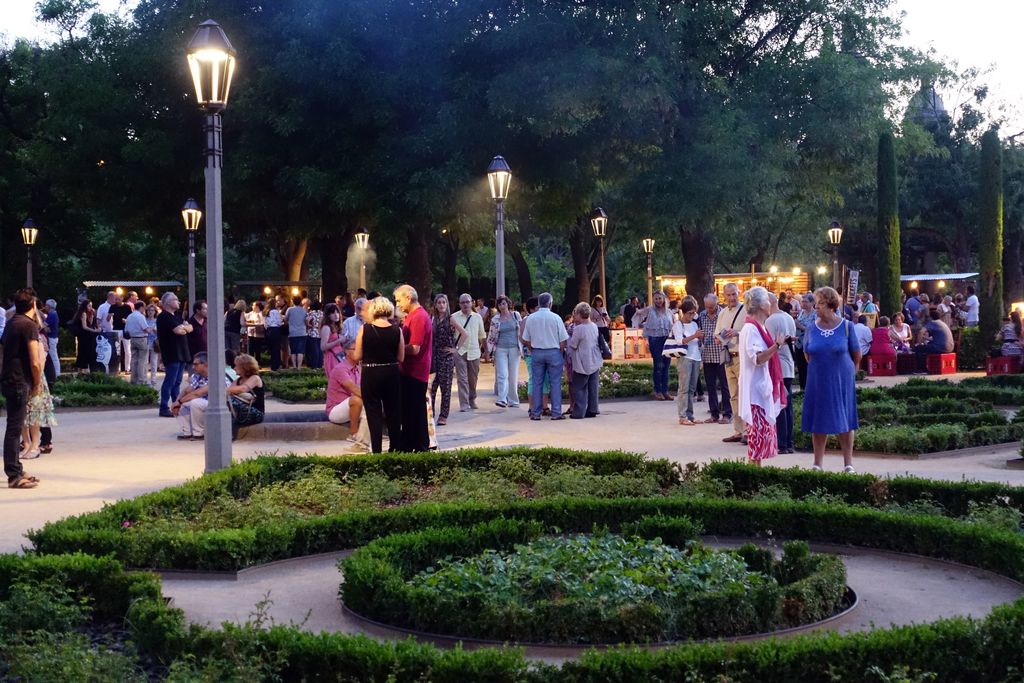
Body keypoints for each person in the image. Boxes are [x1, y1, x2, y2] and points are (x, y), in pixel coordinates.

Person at [802, 286, 860, 474]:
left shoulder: (846, 326)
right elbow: (807, 354)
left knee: (845, 420)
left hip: (841, 381)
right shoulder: (811, 329)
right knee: (819, 421)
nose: (815, 307)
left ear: (830, 304)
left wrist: (850, 374)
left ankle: (848, 464)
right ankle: (817, 464)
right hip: (818, 380)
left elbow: (857, 355)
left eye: (819, 303)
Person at [739, 287, 787, 465]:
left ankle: (757, 477)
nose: (771, 303)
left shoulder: (759, 327)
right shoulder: (751, 329)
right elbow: (757, 358)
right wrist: (777, 346)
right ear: (760, 305)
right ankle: (753, 479)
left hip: (760, 388)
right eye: (767, 299)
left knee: (760, 440)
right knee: (756, 442)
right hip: (755, 393)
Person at [2, 289, 43, 488]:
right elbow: (35, 361)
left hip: (9, 379)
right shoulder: (29, 326)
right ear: (33, 305)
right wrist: (36, 384)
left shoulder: (11, 323)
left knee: (14, 426)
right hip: (20, 380)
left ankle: (16, 468)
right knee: (14, 428)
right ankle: (14, 475)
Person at [354, 296, 404, 453]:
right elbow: (401, 357)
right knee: (393, 412)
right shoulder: (397, 330)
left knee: (373, 414)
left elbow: (357, 356)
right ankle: (395, 448)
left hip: (371, 373)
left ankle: (376, 451)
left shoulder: (365, 329)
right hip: (391, 373)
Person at [394, 285, 433, 452]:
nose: (398, 305)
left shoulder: (418, 317)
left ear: (408, 297)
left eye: (398, 300)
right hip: (412, 371)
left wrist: (396, 347)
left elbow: (415, 348)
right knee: (414, 411)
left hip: (414, 371)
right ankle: (416, 444)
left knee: (413, 411)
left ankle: (416, 445)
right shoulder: (413, 315)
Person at [521, 292, 569, 421]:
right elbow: (563, 340)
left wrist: (532, 348)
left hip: (537, 352)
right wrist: (560, 352)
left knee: (537, 383)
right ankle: (556, 412)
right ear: (550, 304)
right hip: (553, 352)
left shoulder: (531, 318)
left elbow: (525, 339)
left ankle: (536, 413)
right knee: (555, 383)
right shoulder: (556, 318)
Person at [715, 283, 747, 443]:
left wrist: (737, 333)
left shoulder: (746, 310)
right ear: (723, 296)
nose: (732, 298)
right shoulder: (722, 314)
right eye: (728, 295)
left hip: (742, 357)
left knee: (745, 394)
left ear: (739, 293)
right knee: (733, 395)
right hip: (728, 356)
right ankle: (738, 430)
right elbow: (716, 335)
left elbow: (753, 333)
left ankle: (748, 431)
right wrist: (720, 338)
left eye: (734, 294)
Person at [765, 293, 796, 453]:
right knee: (788, 405)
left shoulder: (770, 321)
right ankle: (789, 442)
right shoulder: (788, 317)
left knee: (779, 404)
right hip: (789, 364)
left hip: (778, 366)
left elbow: (769, 346)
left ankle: (782, 443)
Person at [325, 344, 370, 448]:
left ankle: (364, 439)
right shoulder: (340, 369)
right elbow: (354, 389)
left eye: (360, 349)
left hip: (351, 406)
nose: (359, 352)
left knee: (368, 405)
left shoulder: (358, 368)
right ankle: (353, 433)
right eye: (356, 349)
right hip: (335, 411)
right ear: (346, 351)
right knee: (357, 400)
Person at [156, 293, 193, 418]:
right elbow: (178, 330)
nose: (179, 302)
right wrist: (184, 328)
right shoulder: (164, 317)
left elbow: (189, 328)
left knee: (177, 382)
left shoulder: (176, 316)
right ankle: (164, 407)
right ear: (167, 302)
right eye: (176, 300)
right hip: (172, 353)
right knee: (170, 381)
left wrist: (184, 328)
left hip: (181, 352)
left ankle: (176, 405)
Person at [430, 294, 463, 426]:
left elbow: (464, 333)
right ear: (436, 305)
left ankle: (444, 415)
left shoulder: (451, 319)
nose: (441, 305)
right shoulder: (433, 319)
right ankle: (430, 413)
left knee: (446, 387)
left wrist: (455, 348)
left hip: (446, 357)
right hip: (434, 356)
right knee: (432, 387)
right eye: (439, 303)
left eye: (444, 302)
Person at [697, 293, 731, 424]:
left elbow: (728, 333)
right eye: (707, 306)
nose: (709, 309)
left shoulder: (724, 314)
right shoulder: (702, 315)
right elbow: (700, 331)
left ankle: (727, 414)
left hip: (721, 354)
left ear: (717, 303)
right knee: (710, 386)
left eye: (711, 306)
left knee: (724, 386)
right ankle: (714, 413)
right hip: (707, 355)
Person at [565, 301, 602, 419]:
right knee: (593, 387)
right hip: (594, 359)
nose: (574, 316)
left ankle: (578, 412)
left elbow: (573, 345)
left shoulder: (579, 329)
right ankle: (593, 409)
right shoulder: (594, 326)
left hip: (582, 361)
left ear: (580, 314)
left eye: (575, 313)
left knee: (579, 388)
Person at [451, 294, 486, 412]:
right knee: (462, 379)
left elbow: (482, 335)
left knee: (473, 379)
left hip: (475, 352)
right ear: (459, 304)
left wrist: (486, 352)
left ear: (472, 303)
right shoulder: (453, 317)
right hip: (460, 352)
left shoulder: (477, 317)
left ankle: (472, 399)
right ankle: (464, 403)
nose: (465, 304)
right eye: (462, 303)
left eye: (467, 302)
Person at [672, 297, 703, 425]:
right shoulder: (678, 324)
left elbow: (697, 341)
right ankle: (682, 415)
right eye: (690, 313)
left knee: (691, 388)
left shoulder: (695, 324)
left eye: (694, 313)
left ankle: (690, 415)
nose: (692, 315)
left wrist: (700, 338)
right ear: (683, 312)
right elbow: (680, 341)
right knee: (684, 387)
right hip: (685, 357)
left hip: (696, 356)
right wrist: (694, 336)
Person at [488, 295, 523, 408]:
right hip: (500, 349)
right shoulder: (495, 319)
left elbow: (522, 330)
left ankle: (513, 400)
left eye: (504, 303)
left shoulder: (515, 315)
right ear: (497, 306)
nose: (502, 306)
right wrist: (489, 351)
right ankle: (502, 399)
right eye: (500, 304)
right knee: (502, 374)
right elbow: (491, 336)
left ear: (508, 304)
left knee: (513, 375)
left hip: (514, 348)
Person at [641, 290, 674, 401]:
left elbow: (673, 324)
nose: (658, 301)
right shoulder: (650, 310)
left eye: (660, 298)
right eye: (656, 298)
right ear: (653, 300)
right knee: (658, 366)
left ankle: (665, 391)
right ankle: (658, 391)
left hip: (667, 340)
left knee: (666, 367)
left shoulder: (669, 312)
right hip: (655, 340)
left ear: (664, 299)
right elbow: (638, 315)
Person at [172, 352, 212, 440]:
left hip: (216, 404)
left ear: (205, 364)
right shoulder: (197, 376)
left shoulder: (215, 376)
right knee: (185, 404)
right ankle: (188, 432)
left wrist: (179, 402)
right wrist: (177, 402)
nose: (193, 367)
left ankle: (199, 433)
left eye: (196, 364)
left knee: (195, 402)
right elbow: (187, 390)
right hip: (203, 402)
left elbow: (198, 393)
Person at [227, 353, 265, 437]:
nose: (234, 368)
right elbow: (229, 392)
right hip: (241, 412)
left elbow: (243, 389)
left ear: (244, 367)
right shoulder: (237, 380)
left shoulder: (255, 378)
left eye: (236, 366)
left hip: (255, 412)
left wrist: (221, 390)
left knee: (232, 401)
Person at [124, 302, 154, 385]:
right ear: (141, 307)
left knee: (134, 360)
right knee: (142, 360)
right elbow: (146, 329)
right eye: (144, 308)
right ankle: (141, 380)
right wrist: (152, 328)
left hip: (132, 339)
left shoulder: (129, 316)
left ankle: (133, 380)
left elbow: (126, 329)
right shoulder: (140, 316)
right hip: (141, 339)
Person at [793, 293, 816, 391]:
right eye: (802, 301)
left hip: (809, 344)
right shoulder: (801, 312)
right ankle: (802, 389)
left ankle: (809, 389)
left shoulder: (815, 315)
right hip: (799, 344)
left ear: (812, 303)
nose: (803, 304)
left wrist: (800, 326)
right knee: (801, 367)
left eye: (806, 302)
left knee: (808, 367)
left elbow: (814, 330)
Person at [95, 291, 120, 375]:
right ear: (109, 297)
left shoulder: (116, 307)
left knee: (116, 351)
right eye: (114, 298)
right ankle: (106, 369)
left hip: (115, 333)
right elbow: (98, 320)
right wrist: (99, 329)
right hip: (105, 333)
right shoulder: (102, 307)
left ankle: (116, 368)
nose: (115, 300)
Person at [73, 299, 101, 372]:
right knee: (83, 352)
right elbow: (84, 326)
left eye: (91, 306)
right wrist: (94, 331)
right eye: (89, 306)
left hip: (90, 337)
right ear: (85, 306)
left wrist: (92, 316)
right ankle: (81, 368)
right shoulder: (83, 314)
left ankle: (88, 368)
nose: (90, 307)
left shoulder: (90, 314)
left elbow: (91, 324)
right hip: (84, 336)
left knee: (90, 352)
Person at [320, 303, 344, 377]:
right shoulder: (326, 328)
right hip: (332, 357)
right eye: (333, 313)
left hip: (339, 356)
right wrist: (338, 341)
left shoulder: (335, 326)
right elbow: (323, 347)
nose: (336, 315)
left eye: (337, 312)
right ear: (328, 315)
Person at [284, 296, 308, 369]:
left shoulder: (290, 310)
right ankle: (299, 367)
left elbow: (285, 319)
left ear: (292, 301)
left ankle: (294, 366)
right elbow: (306, 321)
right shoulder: (304, 310)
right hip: (302, 332)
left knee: (293, 351)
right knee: (300, 351)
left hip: (292, 333)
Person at [264, 298, 283, 370]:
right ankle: (276, 365)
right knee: (276, 348)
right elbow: (279, 322)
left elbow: (265, 324)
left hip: (269, 330)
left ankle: (272, 364)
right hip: (276, 330)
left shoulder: (266, 312)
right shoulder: (276, 312)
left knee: (271, 349)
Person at [42, 299, 60, 377]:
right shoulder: (52, 314)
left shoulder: (52, 315)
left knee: (53, 356)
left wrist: (44, 327)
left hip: (51, 338)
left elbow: (43, 326)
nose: (45, 306)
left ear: (49, 306)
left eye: (46, 305)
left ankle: (57, 374)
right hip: (52, 337)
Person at [245, 301, 267, 366]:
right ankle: (251, 363)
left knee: (258, 349)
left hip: (259, 334)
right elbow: (246, 319)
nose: (252, 307)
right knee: (251, 349)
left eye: (253, 305)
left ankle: (258, 363)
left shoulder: (261, 314)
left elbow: (263, 322)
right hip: (251, 333)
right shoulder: (251, 313)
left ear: (257, 307)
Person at [145, 303, 160, 386]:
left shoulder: (157, 320)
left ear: (155, 311)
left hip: (154, 342)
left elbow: (160, 332)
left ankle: (153, 379)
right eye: (149, 310)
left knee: (154, 362)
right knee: (145, 361)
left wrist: (155, 330)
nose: (150, 312)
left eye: (152, 310)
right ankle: (145, 379)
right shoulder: (144, 319)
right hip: (146, 342)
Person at [306, 300, 323, 369]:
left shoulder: (311, 313)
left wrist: (310, 326)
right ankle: (320, 364)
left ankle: (314, 365)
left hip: (313, 332)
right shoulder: (322, 313)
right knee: (320, 350)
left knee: (314, 350)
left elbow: (307, 322)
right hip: (320, 332)